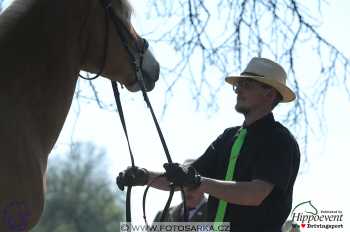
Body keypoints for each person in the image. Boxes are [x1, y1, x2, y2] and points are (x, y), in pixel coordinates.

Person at [117, 57, 300, 232]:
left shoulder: (279, 140)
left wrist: (199, 182)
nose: (238, 91)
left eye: (247, 85)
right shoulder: (228, 137)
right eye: (238, 85)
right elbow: (184, 179)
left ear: (269, 93)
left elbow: (254, 194)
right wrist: (144, 177)